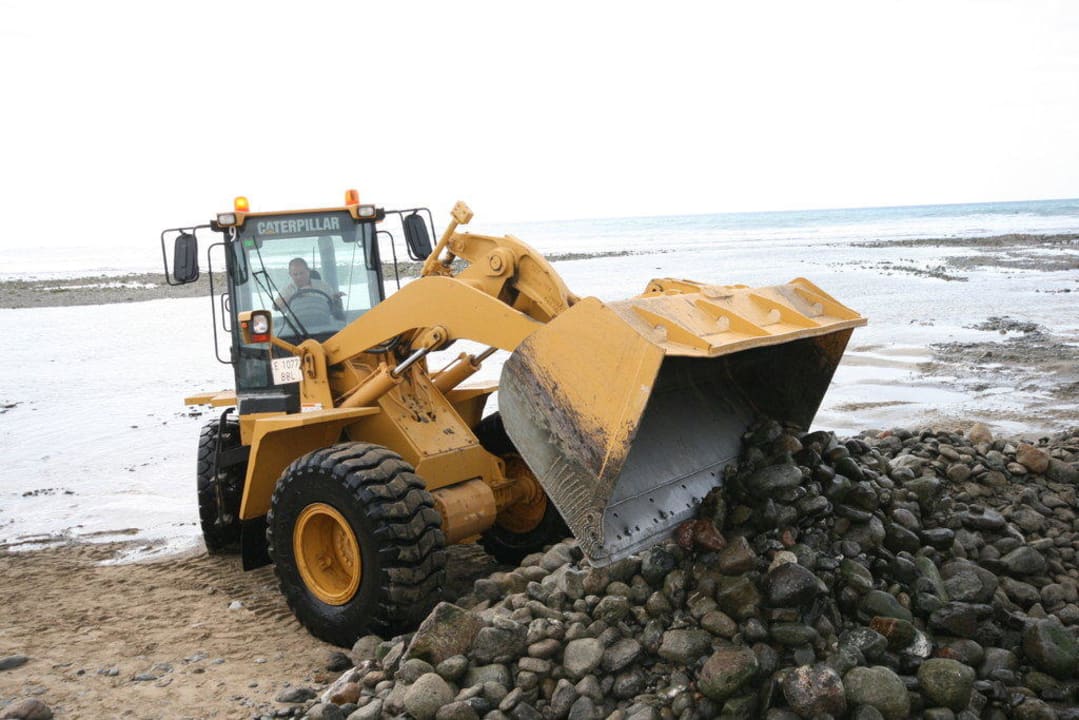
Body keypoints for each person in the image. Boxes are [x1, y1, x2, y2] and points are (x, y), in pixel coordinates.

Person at [275, 257, 342, 311]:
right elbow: (275, 306)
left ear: (308, 271)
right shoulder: (288, 290)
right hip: (297, 325)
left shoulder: (322, 286)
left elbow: (333, 302)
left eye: (302, 273)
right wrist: (297, 293)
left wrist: (336, 298)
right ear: (290, 275)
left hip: (323, 324)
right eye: (295, 274)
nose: (299, 277)